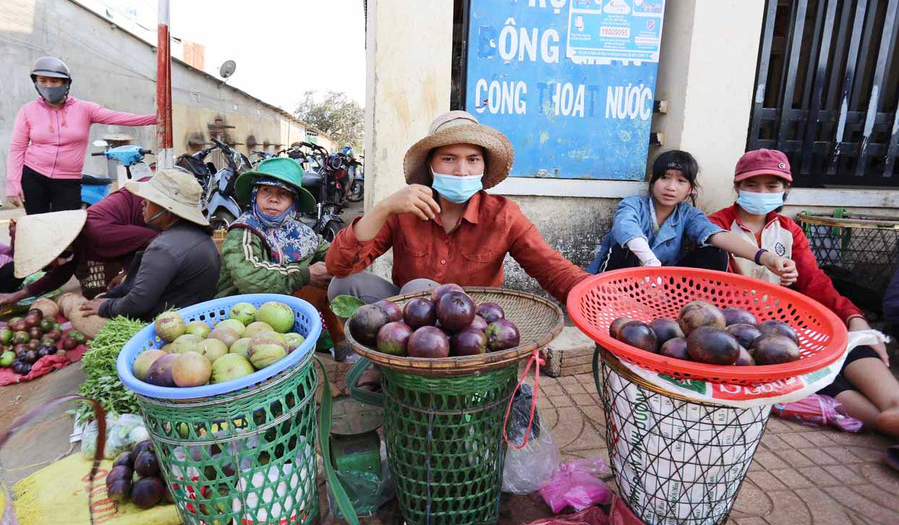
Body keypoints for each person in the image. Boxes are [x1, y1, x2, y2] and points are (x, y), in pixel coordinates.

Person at [709, 149, 899, 437]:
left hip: (790, 323)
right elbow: (713, 286)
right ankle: (883, 421)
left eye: (771, 186)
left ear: (785, 189)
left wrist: (853, 317)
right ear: (737, 187)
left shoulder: (789, 230)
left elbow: (815, 282)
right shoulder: (717, 225)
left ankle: (893, 407)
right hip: (747, 333)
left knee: (848, 344)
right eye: (752, 185)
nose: (761, 192)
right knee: (813, 370)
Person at [327, 110, 590, 306]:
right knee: (344, 285)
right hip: (411, 316)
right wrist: (382, 208)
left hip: (471, 326)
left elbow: (551, 267)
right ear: (431, 166)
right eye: (449, 159)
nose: (462, 171)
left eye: (472, 160)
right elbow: (339, 266)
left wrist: (597, 297)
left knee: (419, 288)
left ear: (483, 167)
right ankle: (377, 360)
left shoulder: (503, 215)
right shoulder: (405, 209)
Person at [587, 150, 797, 283]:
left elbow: (717, 235)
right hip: (618, 281)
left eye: (681, 181)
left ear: (690, 189)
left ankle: (679, 306)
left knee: (716, 252)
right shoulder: (633, 204)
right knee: (622, 246)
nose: (670, 187)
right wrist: (649, 260)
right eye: (665, 178)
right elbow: (626, 228)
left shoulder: (689, 215)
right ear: (652, 181)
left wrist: (764, 256)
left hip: (660, 284)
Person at [215, 157, 344, 349]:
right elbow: (250, 278)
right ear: (255, 195)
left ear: (293, 202)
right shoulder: (243, 231)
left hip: (282, 313)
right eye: (266, 190)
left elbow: (334, 255)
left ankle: (341, 345)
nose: (273, 199)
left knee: (331, 282)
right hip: (241, 318)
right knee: (313, 280)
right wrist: (306, 274)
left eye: (283, 194)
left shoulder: (303, 233)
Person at [6, 56, 156, 214]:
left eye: (54, 81)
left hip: (68, 180)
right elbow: (17, 147)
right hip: (34, 176)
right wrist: (13, 182)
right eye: (42, 80)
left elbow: (119, 117)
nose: (48, 86)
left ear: (66, 83)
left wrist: (157, 119)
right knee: (36, 224)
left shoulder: (85, 109)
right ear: (36, 82)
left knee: (67, 227)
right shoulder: (28, 110)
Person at [78, 170, 221, 321]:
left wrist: (104, 307)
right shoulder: (198, 236)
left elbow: (138, 303)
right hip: (196, 317)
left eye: (150, 199)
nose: (142, 202)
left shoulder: (163, 248)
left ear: (167, 208)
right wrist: (111, 296)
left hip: (173, 324)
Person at [0, 186, 158, 307]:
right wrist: (16, 295)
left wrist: (127, 274)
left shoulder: (99, 235)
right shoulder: (74, 239)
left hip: (154, 209)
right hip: (141, 226)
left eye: (48, 260)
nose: (51, 265)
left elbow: (152, 239)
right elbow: (59, 275)